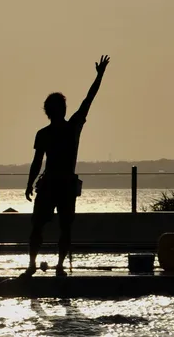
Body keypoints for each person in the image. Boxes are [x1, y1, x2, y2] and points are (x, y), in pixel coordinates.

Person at [23, 55, 109, 277]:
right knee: (56, 227)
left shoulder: (59, 131)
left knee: (45, 227)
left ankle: (43, 265)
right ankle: (52, 265)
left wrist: (29, 184)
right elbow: (88, 100)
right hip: (56, 183)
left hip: (56, 183)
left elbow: (36, 162)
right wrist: (99, 76)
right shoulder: (65, 130)